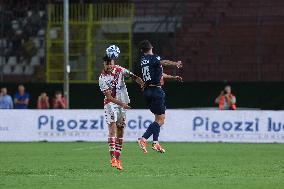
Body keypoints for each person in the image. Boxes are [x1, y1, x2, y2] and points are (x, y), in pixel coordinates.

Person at [137, 40, 183, 154]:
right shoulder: (155, 58)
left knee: (157, 119)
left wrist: (173, 77)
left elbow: (160, 74)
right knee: (161, 120)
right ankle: (143, 139)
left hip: (147, 91)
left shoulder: (143, 60)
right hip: (156, 91)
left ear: (142, 51)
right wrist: (175, 64)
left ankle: (155, 142)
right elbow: (163, 62)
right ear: (152, 47)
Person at [99, 55, 144, 170]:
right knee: (112, 129)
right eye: (107, 63)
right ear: (104, 64)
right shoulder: (102, 78)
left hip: (121, 104)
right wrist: (122, 104)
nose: (109, 66)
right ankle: (112, 158)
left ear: (114, 63)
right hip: (111, 103)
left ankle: (118, 159)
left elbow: (132, 76)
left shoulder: (119, 70)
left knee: (121, 131)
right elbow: (109, 97)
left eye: (111, 63)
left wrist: (142, 83)